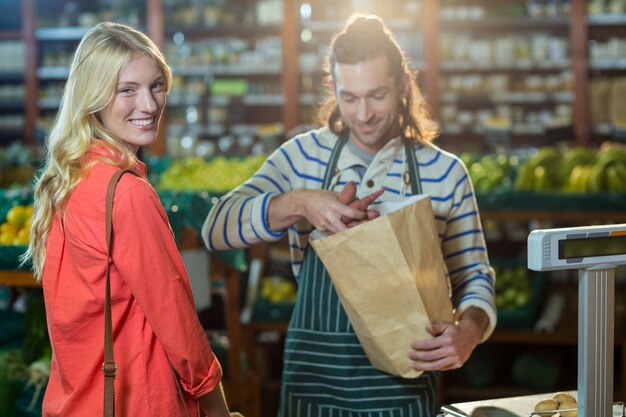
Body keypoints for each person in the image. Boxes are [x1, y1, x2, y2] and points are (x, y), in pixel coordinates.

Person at [203, 14, 496, 416]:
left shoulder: (445, 173)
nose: (363, 114)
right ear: (333, 89)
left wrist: (470, 330)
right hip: (313, 392)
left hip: (402, 393)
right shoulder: (301, 157)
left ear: (403, 86)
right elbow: (215, 229)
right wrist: (299, 203)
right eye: (350, 97)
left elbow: (474, 276)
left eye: (377, 95)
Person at [23, 22, 238, 417]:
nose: (151, 104)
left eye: (157, 85)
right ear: (94, 97)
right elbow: (179, 325)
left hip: (76, 402)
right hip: (137, 401)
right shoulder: (126, 194)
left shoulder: (69, 182)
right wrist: (218, 410)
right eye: (128, 89)